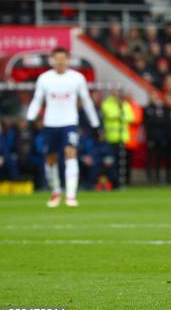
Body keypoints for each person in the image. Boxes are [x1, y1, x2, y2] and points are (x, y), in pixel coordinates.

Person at [26, 47, 100, 207]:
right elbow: (37, 99)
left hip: (69, 123)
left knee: (70, 153)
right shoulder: (44, 78)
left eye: (63, 58)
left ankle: (71, 195)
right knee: (51, 159)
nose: (60, 61)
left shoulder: (77, 78)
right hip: (50, 123)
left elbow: (86, 100)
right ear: (52, 60)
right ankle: (56, 191)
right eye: (57, 58)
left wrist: (95, 123)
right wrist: (30, 117)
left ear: (68, 60)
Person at [101, 89, 134, 189]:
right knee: (112, 162)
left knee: (123, 163)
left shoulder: (125, 104)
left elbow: (131, 117)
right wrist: (121, 115)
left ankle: (123, 183)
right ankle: (113, 183)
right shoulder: (106, 103)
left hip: (123, 138)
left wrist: (119, 115)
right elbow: (110, 115)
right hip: (111, 138)